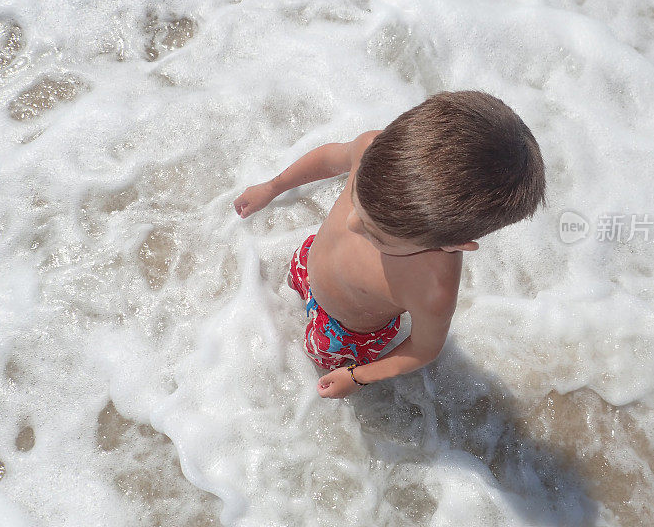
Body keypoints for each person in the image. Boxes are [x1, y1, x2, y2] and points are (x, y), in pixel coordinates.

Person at [234, 91, 546, 398]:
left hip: (345, 333)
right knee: (291, 282)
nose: (351, 224)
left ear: (453, 245)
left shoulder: (432, 289)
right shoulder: (373, 150)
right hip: (312, 260)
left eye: (377, 235)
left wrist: (358, 377)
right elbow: (331, 158)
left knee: (314, 359)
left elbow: (424, 349)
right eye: (357, 202)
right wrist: (272, 187)